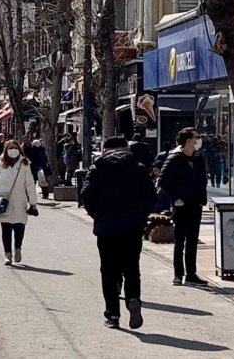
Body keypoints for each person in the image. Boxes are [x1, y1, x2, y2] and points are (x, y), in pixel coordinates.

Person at [81, 136, 155, 330]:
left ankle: (112, 314)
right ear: (126, 148)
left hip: (106, 227)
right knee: (131, 268)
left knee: (109, 270)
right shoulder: (138, 168)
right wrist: (141, 215)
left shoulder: (97, 169)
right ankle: (133, 298)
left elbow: (86, 196)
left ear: (105, 149)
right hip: (132, 226)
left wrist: (97, 214)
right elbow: (151, 197)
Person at [159, 127, 209, 286]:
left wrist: (202, 197)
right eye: (196, 137)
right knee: (180, 240)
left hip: (196, 203)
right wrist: (175, 198)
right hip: (181, 205)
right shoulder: (174, 158)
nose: (198, 139)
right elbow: (163, 181)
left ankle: (192, 274)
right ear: (188, 141)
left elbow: (202, 179)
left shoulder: (199, 158)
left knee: (193, 240)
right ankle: (178, 274)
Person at [0, 140, 38, 265]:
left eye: (15, 148)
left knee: (19, 227)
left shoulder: (24, 163)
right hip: (3, 200)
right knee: (5, 228)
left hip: (20, 200)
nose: (13, 150)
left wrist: (33, 202)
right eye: (10, 148)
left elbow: (29, 183)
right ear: (6, 149)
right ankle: (7, 254)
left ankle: (18, 248)